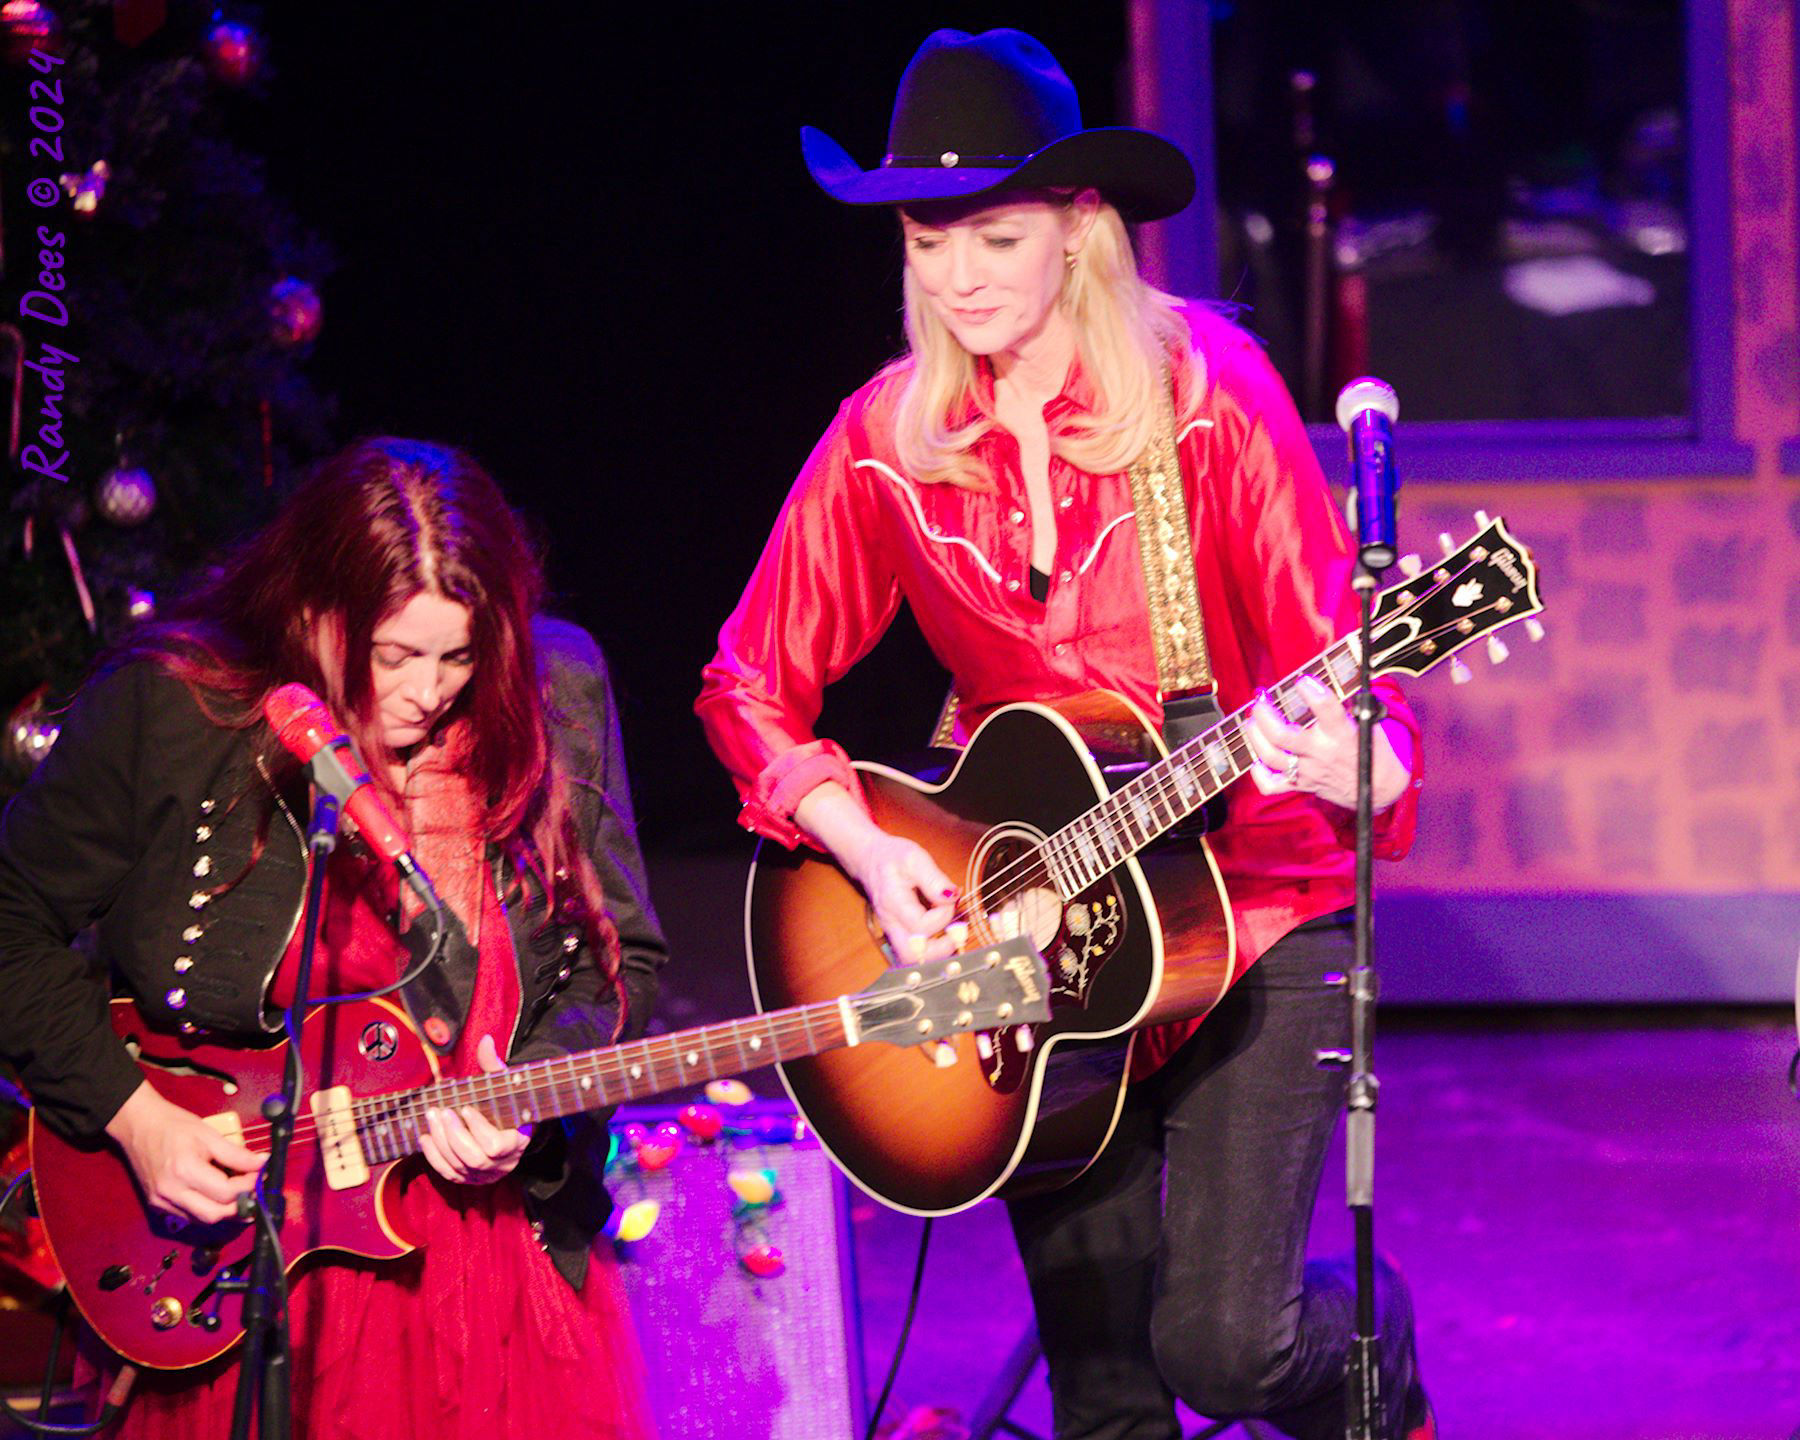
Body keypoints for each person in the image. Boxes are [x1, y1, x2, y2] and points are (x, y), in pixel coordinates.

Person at [696, 29, 1434, 1440]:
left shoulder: (1207, 403)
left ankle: (1367, 1352)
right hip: (1027, 935)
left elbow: (1346, 669)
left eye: (997, 235)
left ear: (1082, 230)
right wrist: (862, 840)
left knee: (1223, 1349)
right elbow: (746, 681)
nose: (958, 275)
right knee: (1104, 1401)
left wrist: (1366, 759)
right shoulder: (884, 443)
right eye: (927, 239)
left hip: (1248, 915)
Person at [0, 437, 666, 1439]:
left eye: (461, 655)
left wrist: (527, 1100)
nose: (431, 690)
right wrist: (136, 1117)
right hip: (255, 1258)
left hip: (495, 1258)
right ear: (312, 610)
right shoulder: (177, 699)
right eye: (396, 655)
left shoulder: (556, 684)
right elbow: (12, 918)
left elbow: (625, 960)